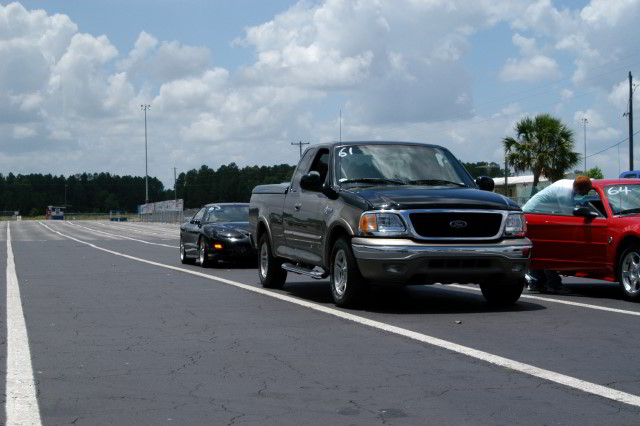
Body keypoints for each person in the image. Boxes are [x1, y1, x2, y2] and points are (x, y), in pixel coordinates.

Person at [523, 176, 593, 294]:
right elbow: (570, 216)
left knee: (539, 250)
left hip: (531, 215)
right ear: (578, 187)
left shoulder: (567, 183)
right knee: (549, 251)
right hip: (534, 216)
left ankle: (537, 282)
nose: (585, 194)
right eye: (584, 192)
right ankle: (554, 284)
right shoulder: (565, 194)